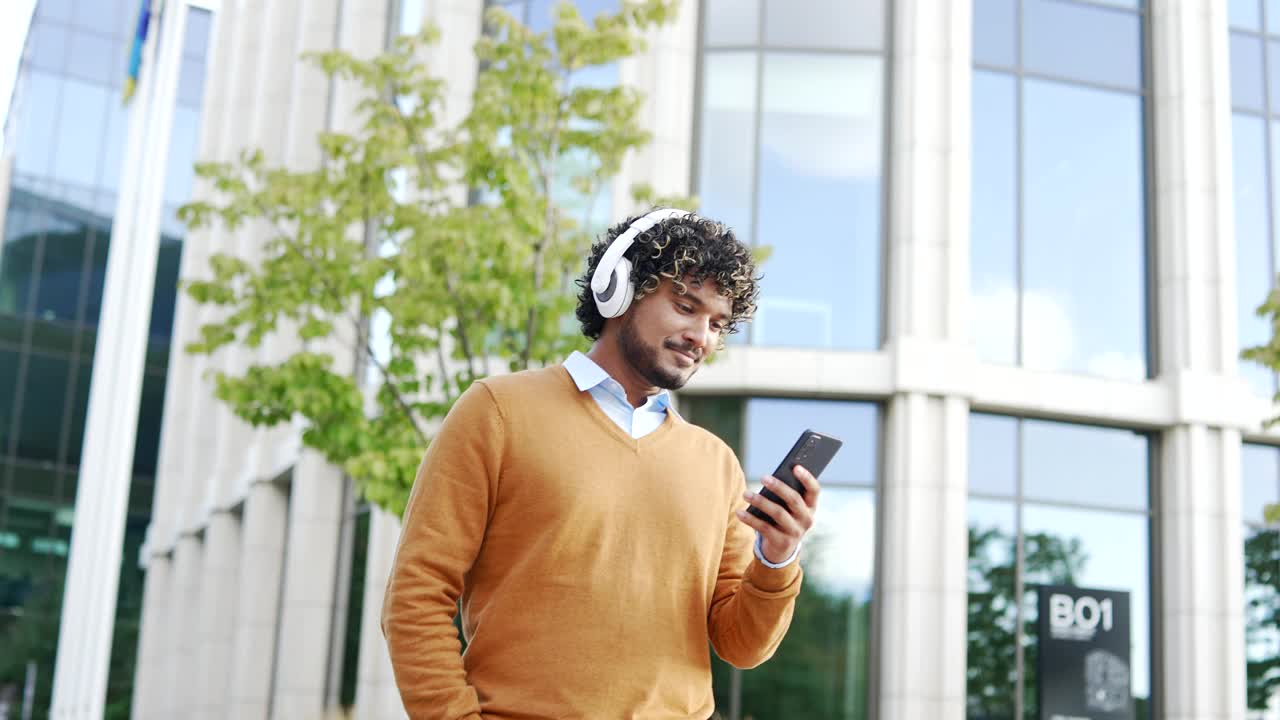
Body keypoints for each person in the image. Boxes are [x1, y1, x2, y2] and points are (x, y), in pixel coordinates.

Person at [382, 208, 823, 719]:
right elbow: (415, 596)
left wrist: (776, 558)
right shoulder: (498, 412)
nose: (701, 336)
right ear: (618, 290)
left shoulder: (716, 462)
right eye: (685, 306)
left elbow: (741, 645)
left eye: (717, 323)